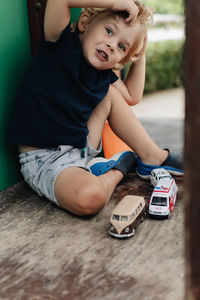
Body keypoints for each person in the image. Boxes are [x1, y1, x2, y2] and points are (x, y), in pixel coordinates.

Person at [9, 0, 183, 216]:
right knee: (91, 199)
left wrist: (141, 54)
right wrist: (114, 2)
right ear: (84, 22)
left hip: (81, 146)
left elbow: (132, 96)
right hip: (46, 161)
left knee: (110, 94)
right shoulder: (58, 43)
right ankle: (119, 168)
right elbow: (59, 1)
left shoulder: (103, 75)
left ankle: (152, 157)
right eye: (109, 31)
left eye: (121, 47)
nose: (112, 45)